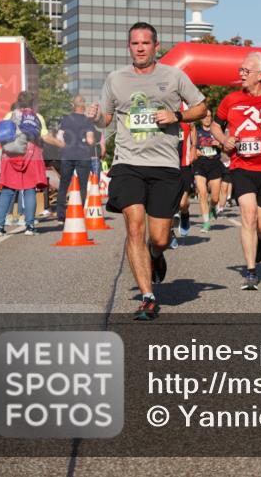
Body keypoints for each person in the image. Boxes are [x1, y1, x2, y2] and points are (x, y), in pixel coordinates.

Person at [90, 22, 206, 321]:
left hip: (165, 164)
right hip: (128, 163)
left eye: (145, 43)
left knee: (159, 237)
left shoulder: (174, 75)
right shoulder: (115, 79)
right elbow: (105, 119)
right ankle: (148, 296)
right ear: (129, 47)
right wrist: (95, 117)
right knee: (134, 225)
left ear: (157, 46)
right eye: (134, 43)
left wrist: (176, 115)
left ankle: (156, 255)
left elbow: (201, 108)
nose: (139, 48)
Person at [211, 51, 261, 290]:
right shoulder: (231, 99)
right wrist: (223, 139)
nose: (242, 74)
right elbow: (216, 124)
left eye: (246, 71)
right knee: (248, 215)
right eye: (241, 70)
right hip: (241, 166)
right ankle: (250, 271)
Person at [0, 91, 63, 236]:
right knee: (29, 190)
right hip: (31, 156)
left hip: (11, 156)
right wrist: (60, 143)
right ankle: (30, 226)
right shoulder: (37, 118)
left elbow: (0, 135)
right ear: (32, 104)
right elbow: (45, 137)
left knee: (7, 191)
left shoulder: (10, 115)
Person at [55, 95, 97, 221]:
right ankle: (79, 212)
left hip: (67, 155)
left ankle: (61, 215)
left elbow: (59, 137)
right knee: (82, 186)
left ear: (73, 105)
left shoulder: (66, 119)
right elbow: (90, 141)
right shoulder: (87, 121)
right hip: (83, 156)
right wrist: (94, 141)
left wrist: (63, 146)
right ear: (83, 106)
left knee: (64, 185)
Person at [193, 109, 223, 232]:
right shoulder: (197, 131)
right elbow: (191, 146)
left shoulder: (216, 131)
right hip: (200, 164)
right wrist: (195, 151)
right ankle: (206, 223)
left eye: (209, 116)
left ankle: (212, 208)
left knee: (215, 198)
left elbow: (226, 147)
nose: (207, 119)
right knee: (203, 193)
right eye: (205, 116)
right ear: (201, 118)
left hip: (214, 164)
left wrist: (219, 144)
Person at [173, 114, 196, 243]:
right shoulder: (162, 104)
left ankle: (185, 215)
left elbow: (193, 128)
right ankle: (170, 232)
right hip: (167, 163)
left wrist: (193, 147)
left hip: (184, 163)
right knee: (169, 203)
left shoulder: (186, 108)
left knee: (182, 203)